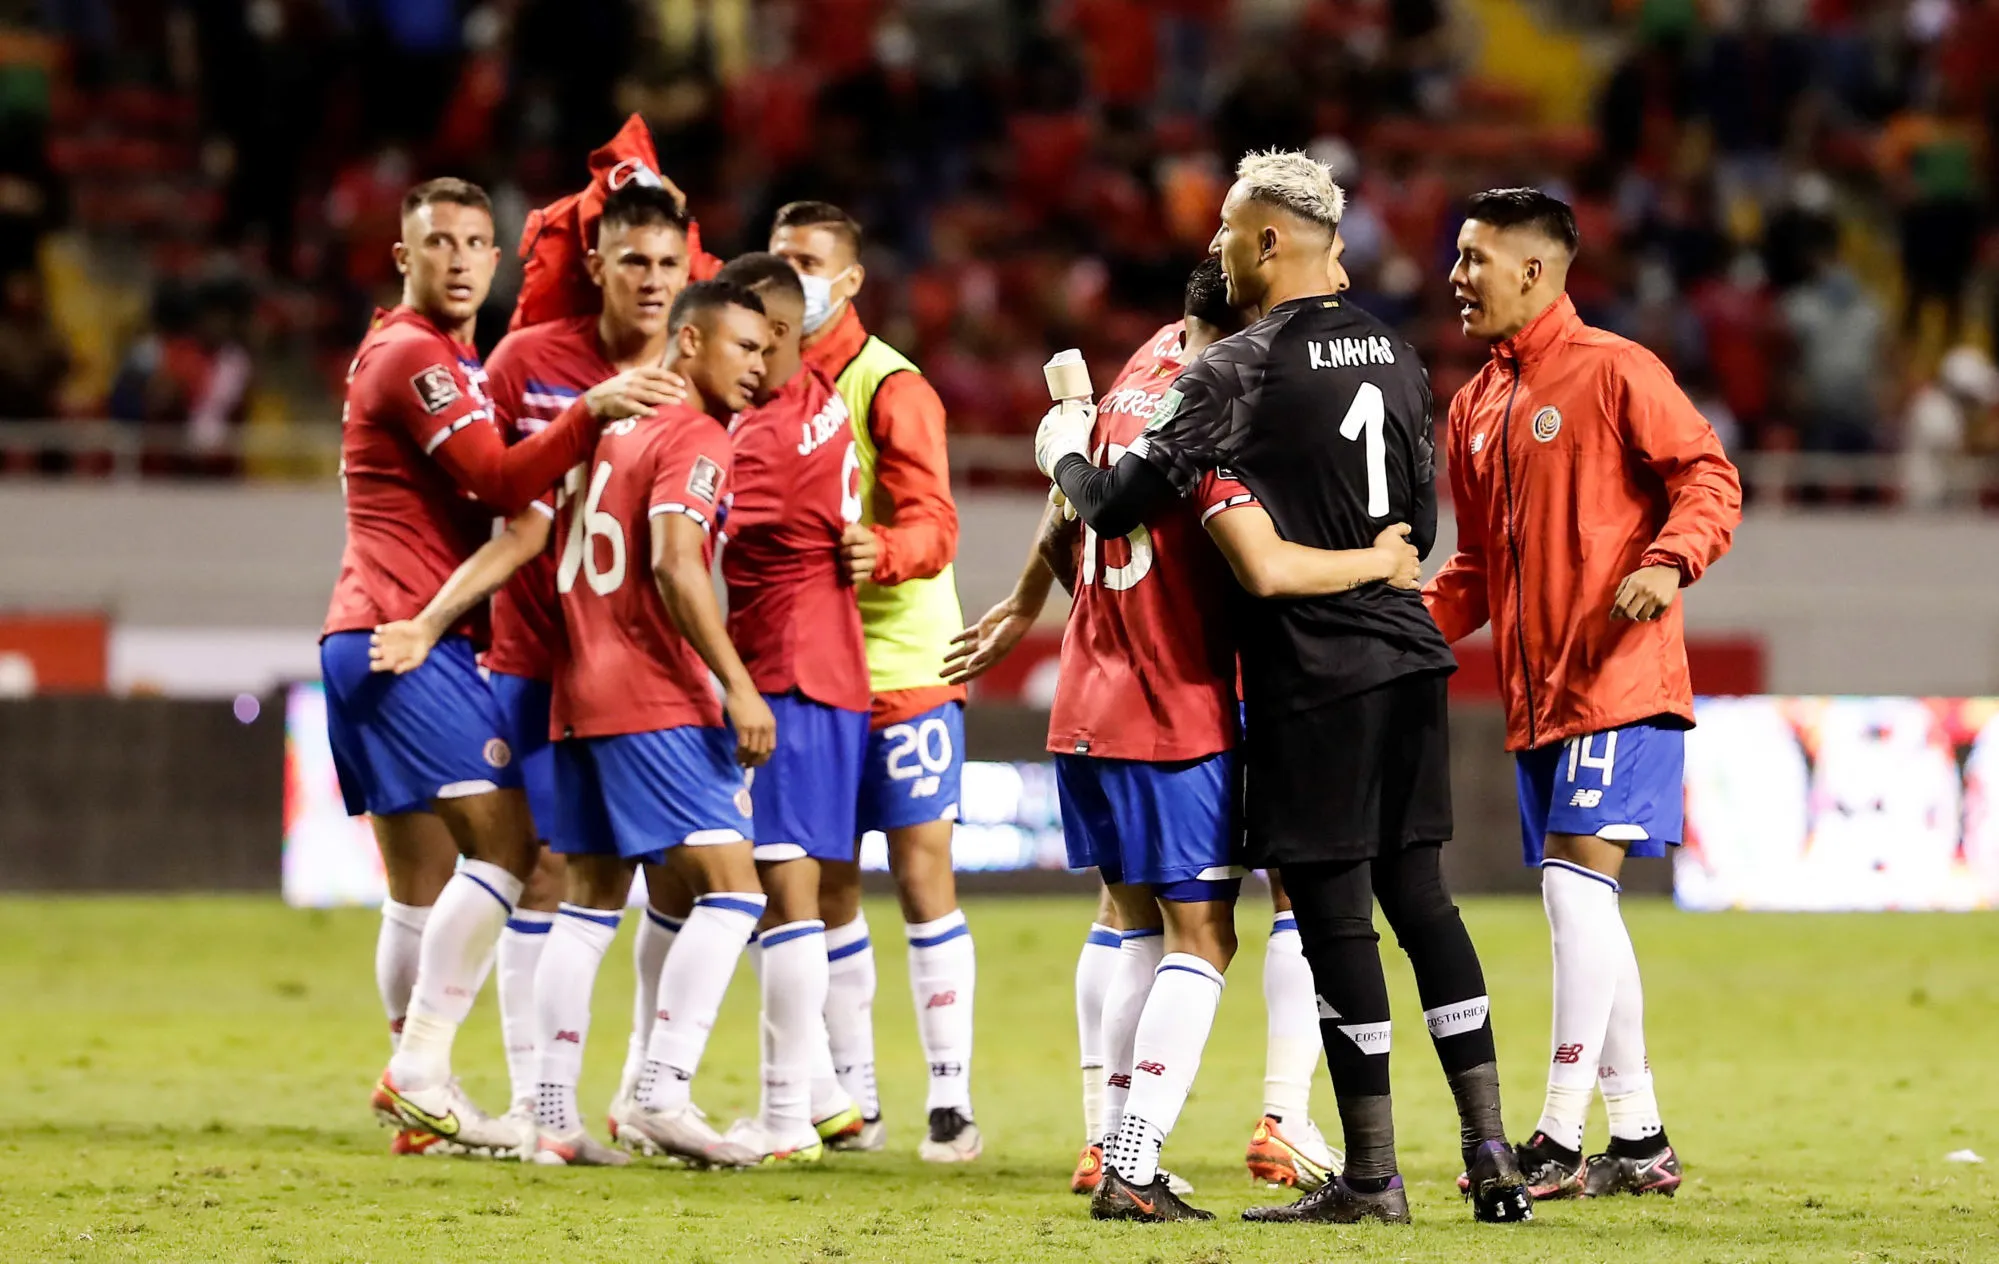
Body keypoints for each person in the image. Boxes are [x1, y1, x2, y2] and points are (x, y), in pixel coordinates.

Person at [1042, 150, 1531, 1226]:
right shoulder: (1401, 358)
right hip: (1409, 656)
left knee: (1335, 919)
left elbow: (1118, 504)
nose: (1214, 248)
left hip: (1314, 673)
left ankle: (1368, 1175)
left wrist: (1064, 450)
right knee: (1425, 902)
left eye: (1225, 230)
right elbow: (1419, 528)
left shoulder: (1234, 370)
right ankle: (1492, 1154)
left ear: (1266, 241)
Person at [943, 271, 1354, 1199]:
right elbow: (1261, 556)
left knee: (1124, 916)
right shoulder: (1241, 395)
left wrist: (1022, 600)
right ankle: (1263, 1120)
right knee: (1245, 915)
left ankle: (1104, 1137)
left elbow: (1081, 494)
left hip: (1092, 690)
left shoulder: (1139, 363)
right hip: (1195, 693)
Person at [324, 177, 674, 1155]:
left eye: (479, 242)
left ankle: (419, 1106)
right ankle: (421, 1066)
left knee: (415, 885)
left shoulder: (446, 360)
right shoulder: (416, 359)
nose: (464, 259)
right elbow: (498, 477)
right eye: (441, 242)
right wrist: (590, 412)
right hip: (404, 638)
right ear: (406, 256)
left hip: (368, 635)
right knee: (516, 848)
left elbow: (503, 507)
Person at [1429, 187, 1741, 1199]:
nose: (1455, 277)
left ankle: (1558, 1136)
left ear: (1534, 269)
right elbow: (1473, 569)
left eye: (1475, 258)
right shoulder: (1473, 405)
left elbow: (1708, 478)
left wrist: (1669, 560)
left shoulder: (1615, 370)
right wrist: (1392, 640)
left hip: (1619, 673)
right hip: (1536, 695)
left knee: (1573, 888)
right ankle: (1638, 1135)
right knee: (1584, 906)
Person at [535, 279, 776, 1164]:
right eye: (742, 347)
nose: (759, 365)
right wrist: (737, 687)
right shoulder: (694, 433)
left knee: (590, 900)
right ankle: (660, 1092)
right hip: (649, 692)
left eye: (764, 350)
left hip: (579, 687)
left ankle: (550, 1116)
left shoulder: (612, 429)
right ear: (686, 344)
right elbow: (678, 566)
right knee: (735, 889)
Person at [772, 201, 978, 1160]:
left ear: (848, 281)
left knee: (920, 869)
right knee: (826, 888)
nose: (790, 273)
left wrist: (878, 549)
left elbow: (938, 526)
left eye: (809, 260)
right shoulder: (760, 375)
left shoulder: (889, 385)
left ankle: (950, 1100)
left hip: (900, 664)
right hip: (809, 667)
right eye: (779, 258)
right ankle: (855, 1100)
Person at [701, 251, 880, 1164]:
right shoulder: (817, 396)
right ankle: (823, 1094)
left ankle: (783, 1120)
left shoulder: (760, 440)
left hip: (785, 677)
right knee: (788, 891)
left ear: (772, 336)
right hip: (832, 674)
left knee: (781, 896)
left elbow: (696, 537)